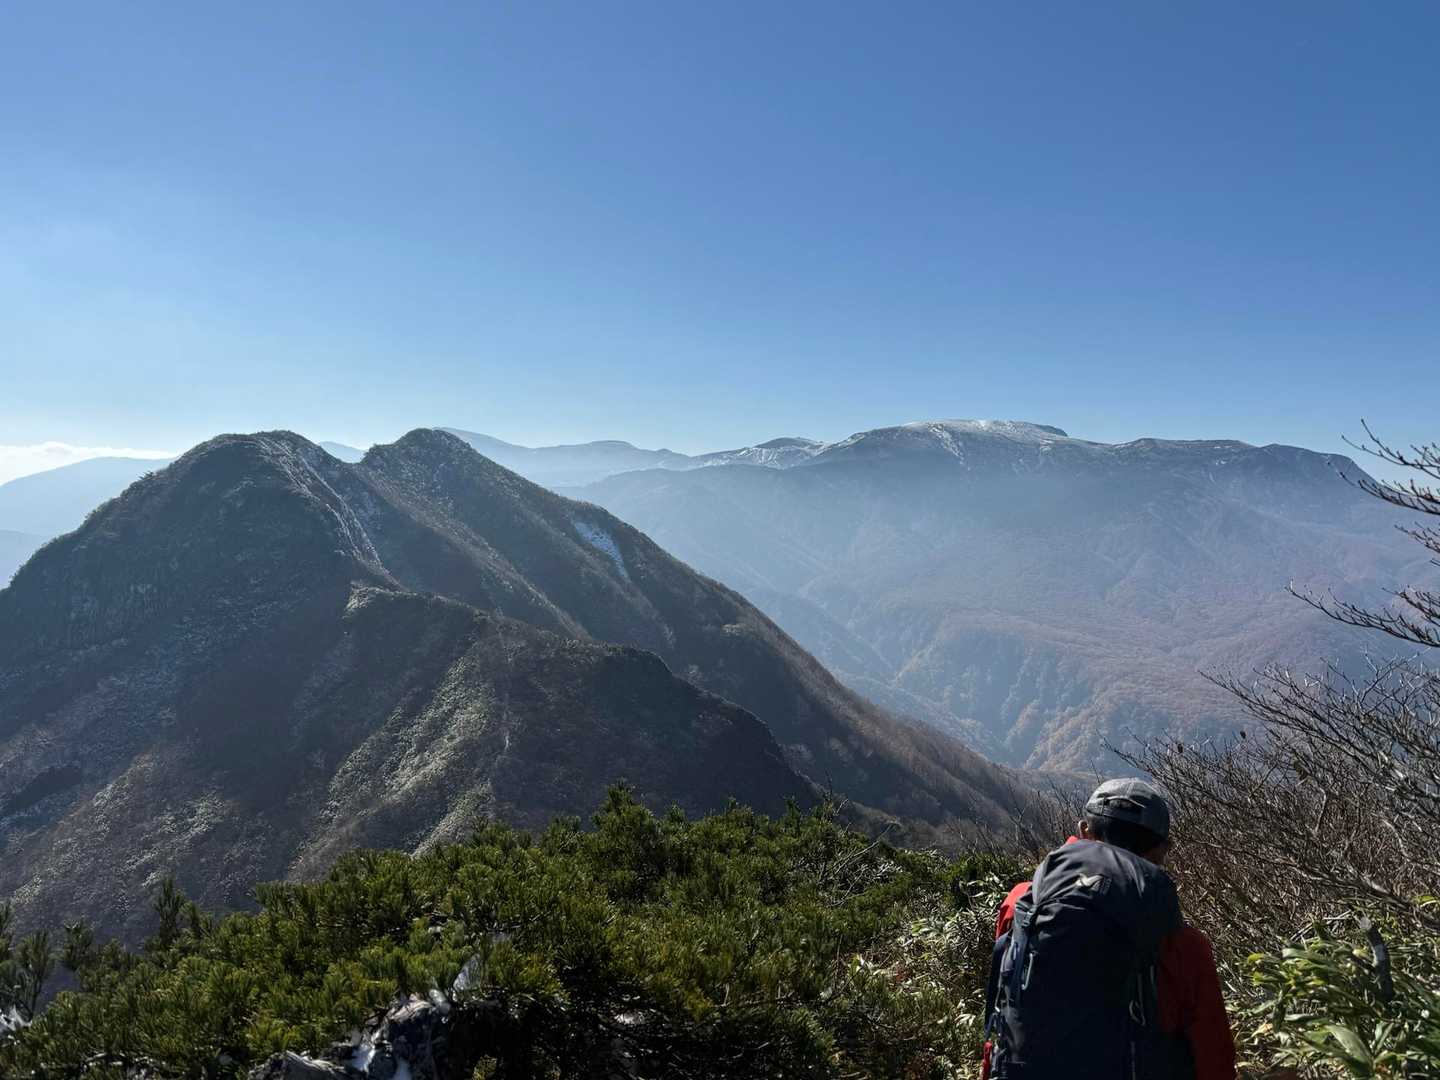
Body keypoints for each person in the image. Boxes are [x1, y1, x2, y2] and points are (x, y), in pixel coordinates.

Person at [982, 778, 1237, 1080]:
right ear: (1161, 850)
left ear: (1083, 831)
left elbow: (1005, 1009)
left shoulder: (1021, 903)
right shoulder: (1180, 941)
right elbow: (1214, 1057)